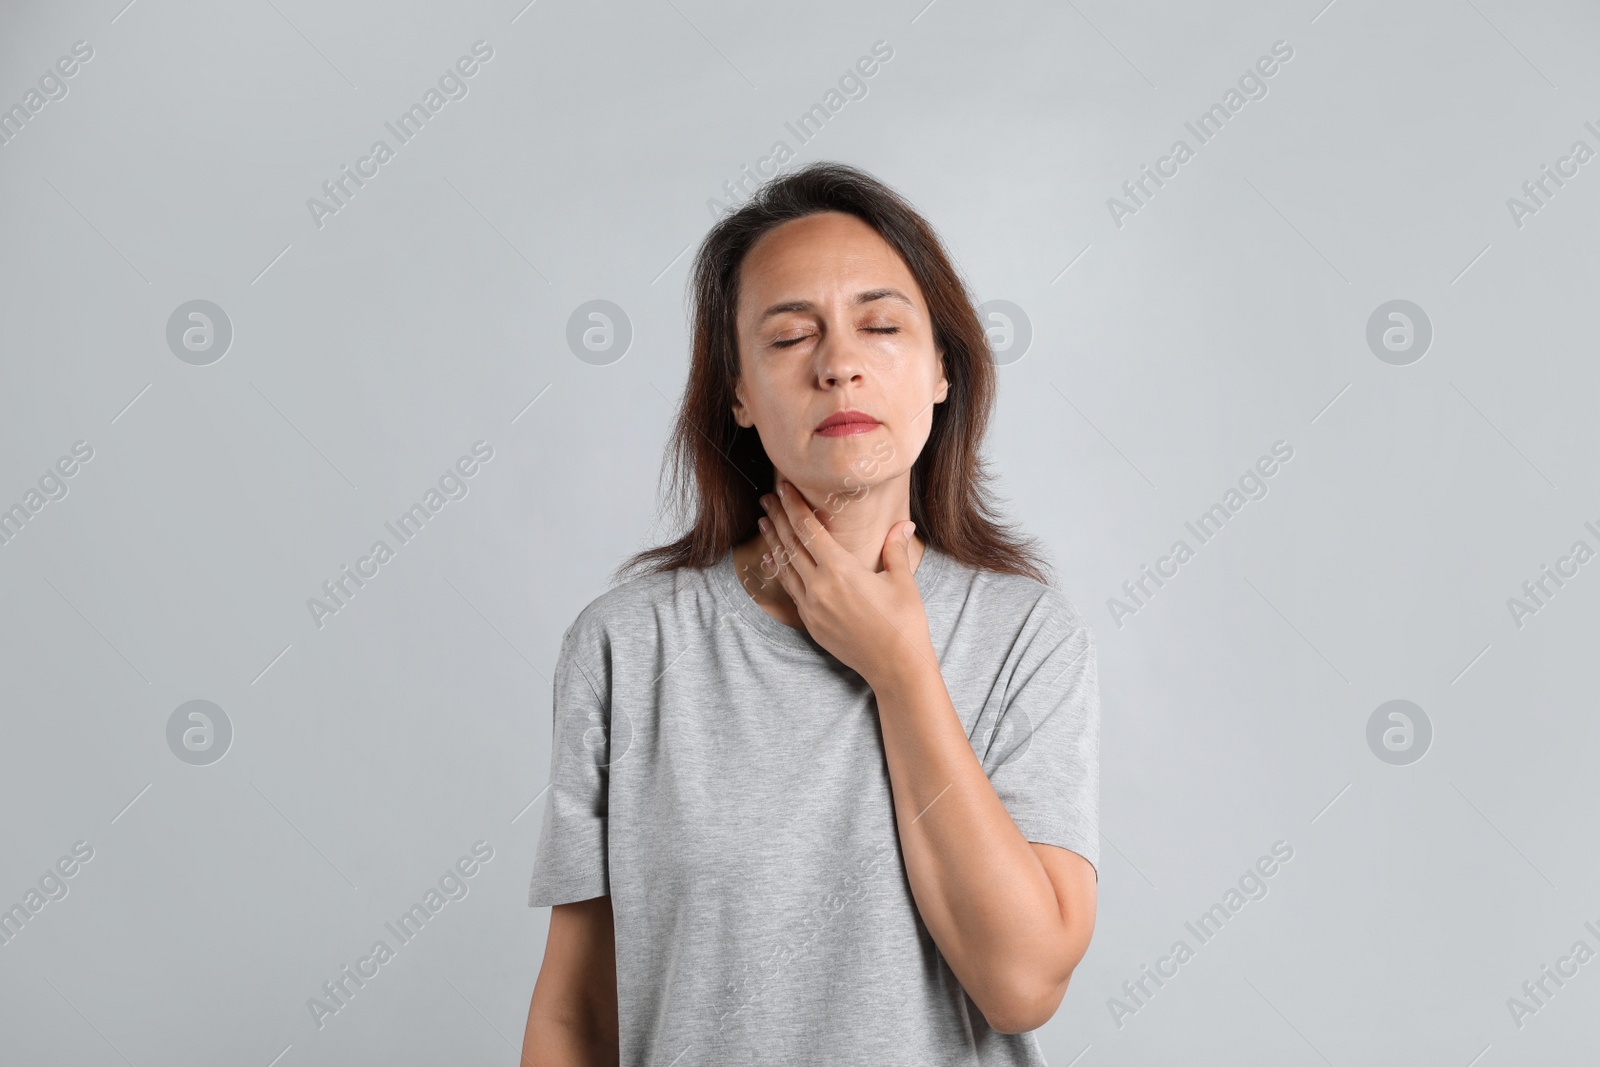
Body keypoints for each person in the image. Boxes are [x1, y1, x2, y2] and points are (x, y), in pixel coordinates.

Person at [521, 161, 1100, 1065]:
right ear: (740, 394)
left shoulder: (1023, 636)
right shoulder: (627, 646)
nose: (840, 364)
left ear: (941, 368)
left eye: (880, 325)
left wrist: (899, 664)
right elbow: (577, 1014)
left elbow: (1021, 980)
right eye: (790, 337)